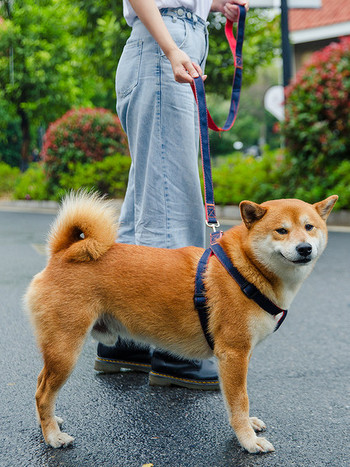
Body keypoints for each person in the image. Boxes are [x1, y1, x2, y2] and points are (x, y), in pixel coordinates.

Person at [95, 0, 249, 390]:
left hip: (164, 45)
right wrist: (171, 48)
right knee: (171, 200)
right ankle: (173, 352)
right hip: (165, 45)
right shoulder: (167, 44)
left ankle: (126, 337)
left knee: (149, 192)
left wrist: (213, 5)